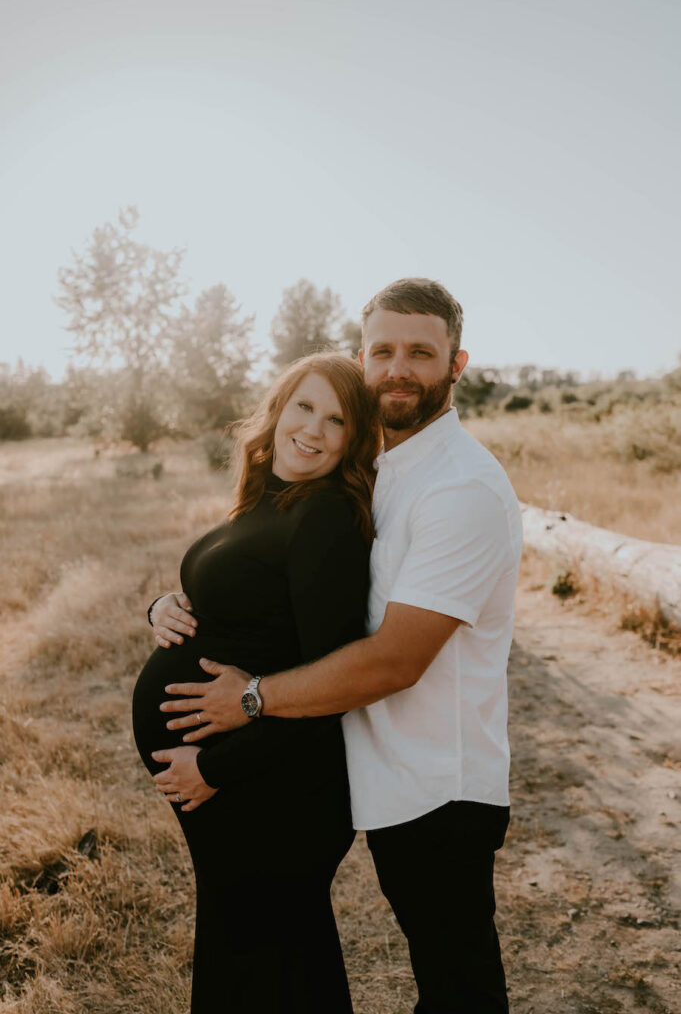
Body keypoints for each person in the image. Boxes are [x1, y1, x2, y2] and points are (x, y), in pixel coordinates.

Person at [158, 278, 523, 1014]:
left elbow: (395, 658)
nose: (397, 369)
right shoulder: (376, 470)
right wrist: (174, 606)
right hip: (378, 771)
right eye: (381, 350)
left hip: (437, 787)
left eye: (420, 352)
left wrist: (250, 701)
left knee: (459, 990)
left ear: (456, 364)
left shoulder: (460, 489)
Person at [132, 351, 381, 1013]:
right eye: (305, 406)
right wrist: (163, 608)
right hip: (243, 786)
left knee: (267, 965)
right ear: (276, 411)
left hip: (275, 788)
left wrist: (217, 767)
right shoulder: (271, 504)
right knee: (259, 956)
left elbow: (332, 685)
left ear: (352, 441)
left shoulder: (324, 520)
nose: (314, 429)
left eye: (337, 421)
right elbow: (244, 610)